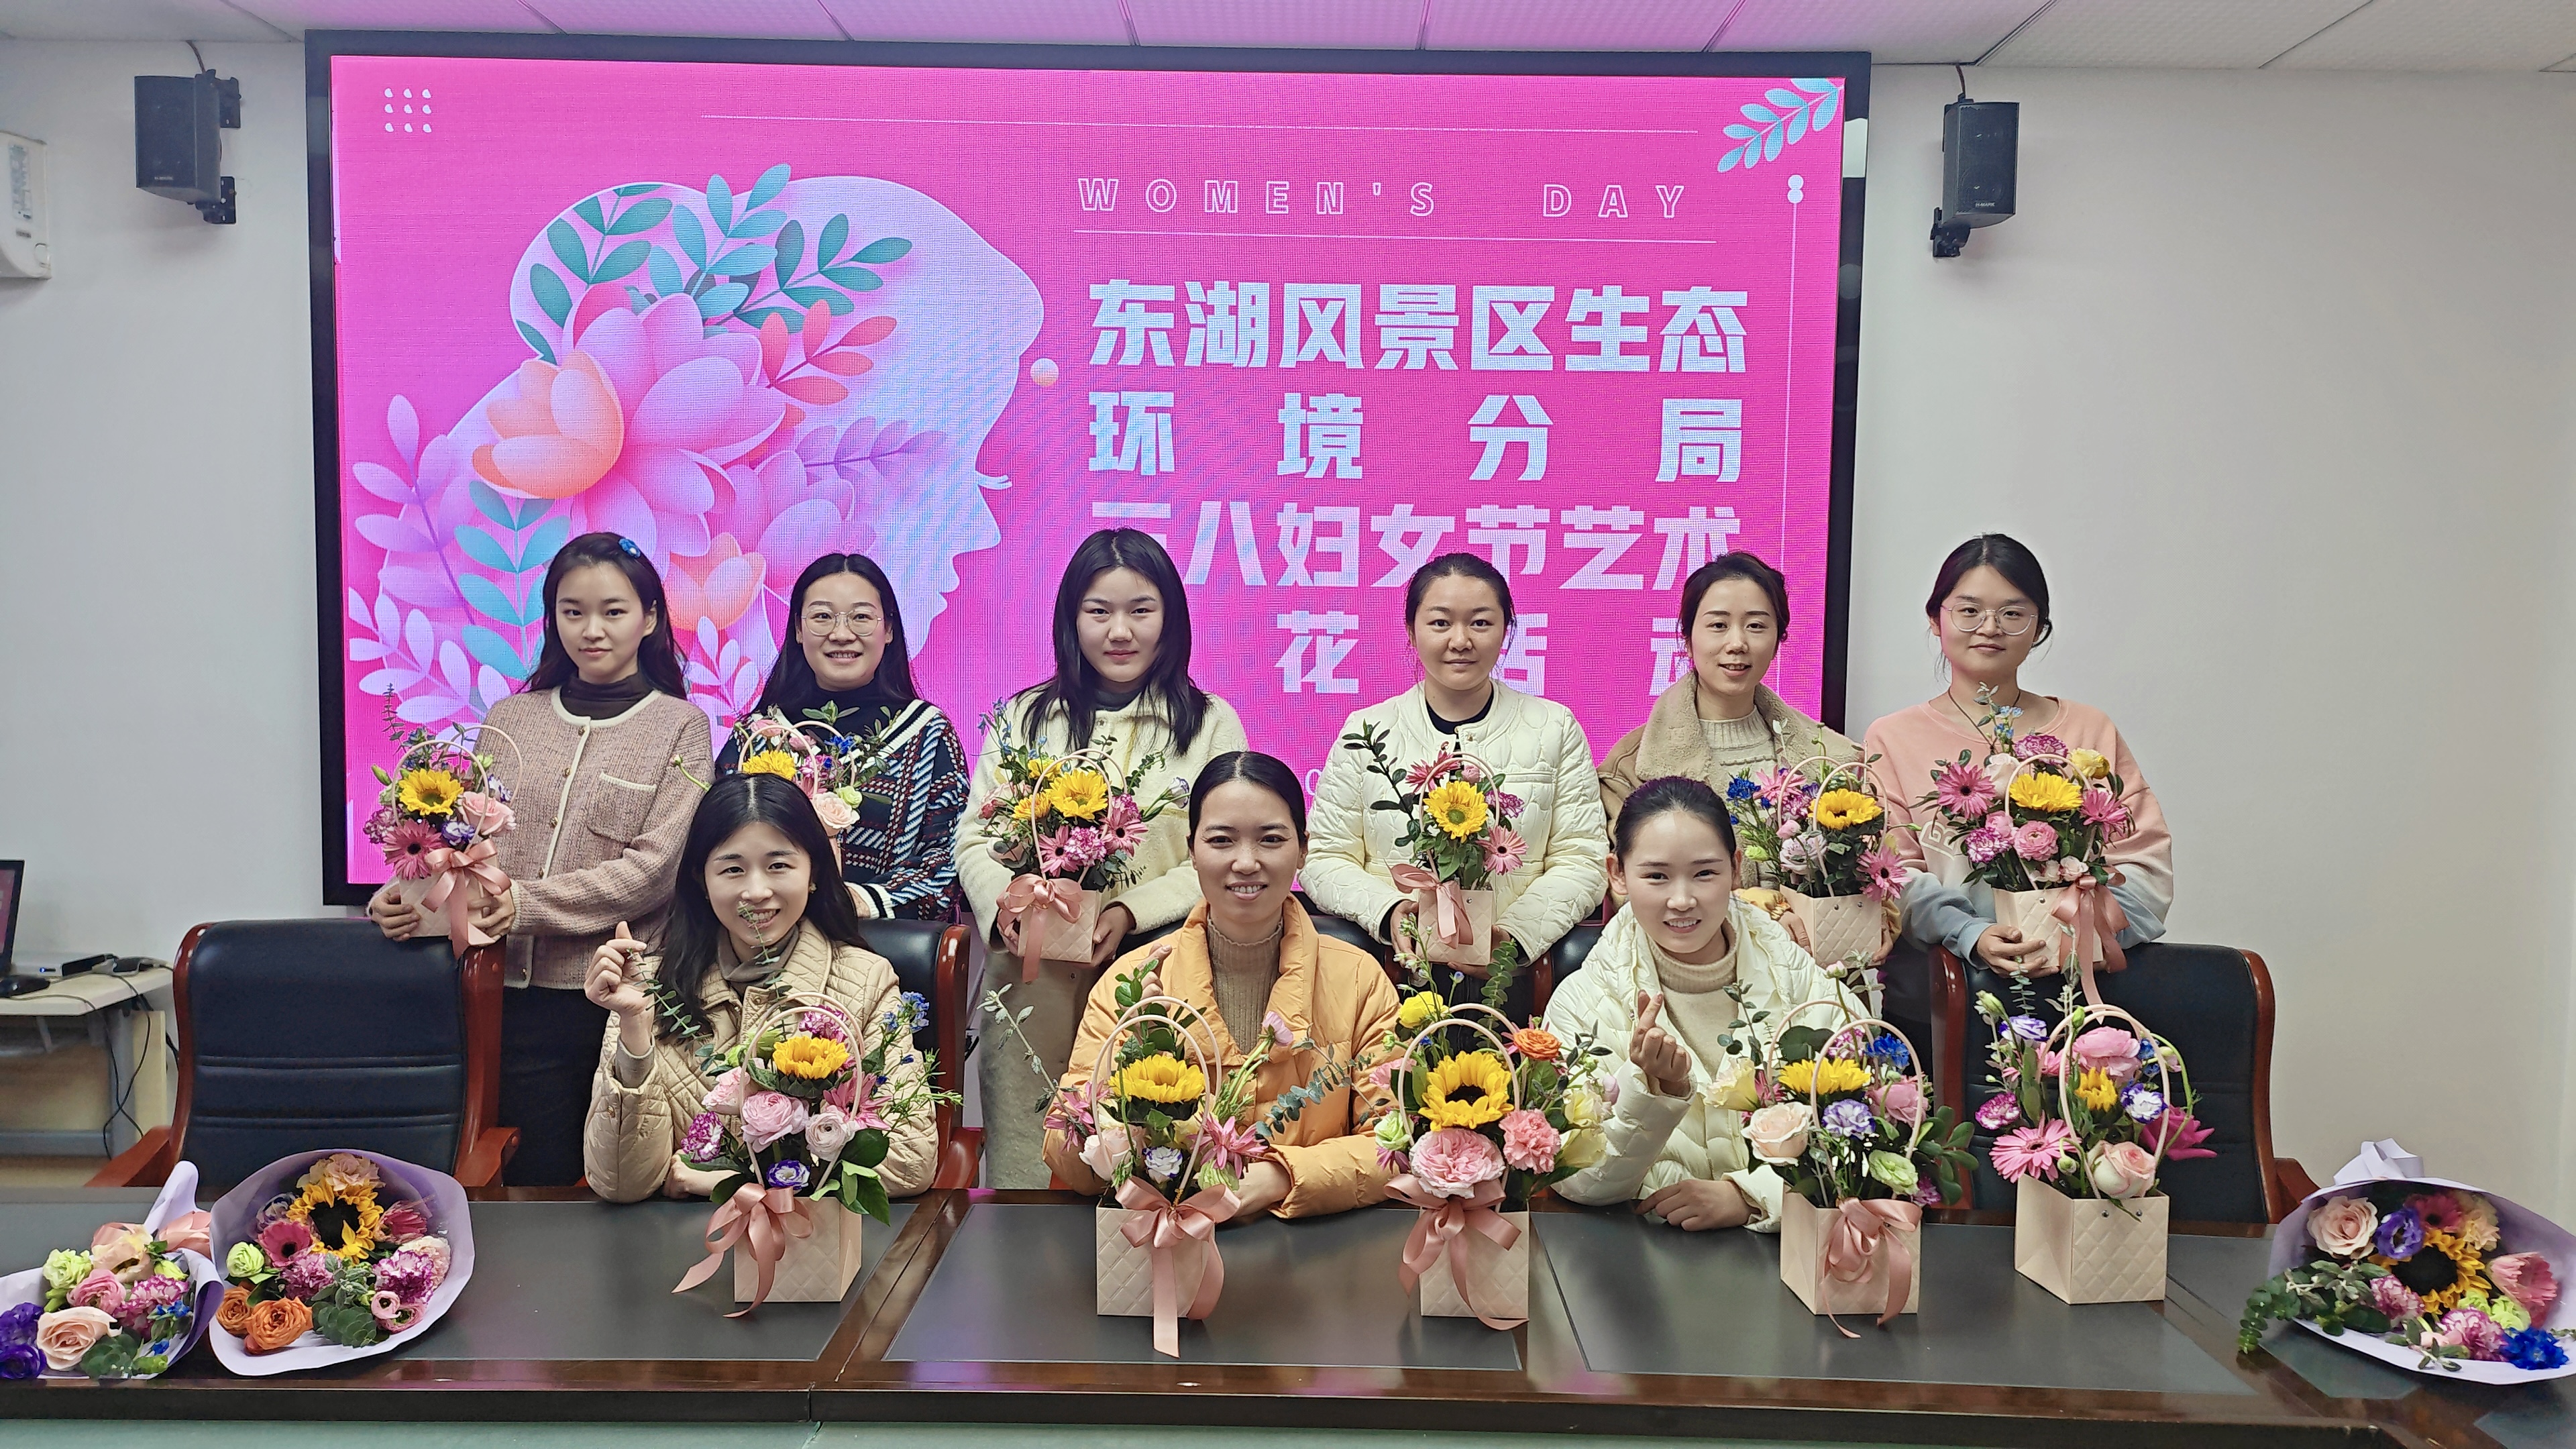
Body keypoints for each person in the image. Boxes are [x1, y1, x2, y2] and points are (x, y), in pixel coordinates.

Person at [366, 532, 713, 1187]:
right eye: (572, 611)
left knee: (606, 1182)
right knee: (506, 1177)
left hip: (605, 998)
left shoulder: (680, 726)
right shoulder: (510, 717)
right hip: (489, 988)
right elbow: (456, 837)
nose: (591, 630)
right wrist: (402, 891)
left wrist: (525, 905)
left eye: (613, 611)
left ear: (649, 619)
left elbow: (655, 871)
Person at [957, 529, 1248, 1188]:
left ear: (1170, 617)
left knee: (1151, 1154)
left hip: (1160, 966)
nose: (1120, 631)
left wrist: (1127, 911)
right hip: (1033, 972)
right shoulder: (1025, 718)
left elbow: (1225, 850)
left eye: (1141, 610)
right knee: (1029, 1163)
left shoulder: (1209, 723)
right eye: (1099, 611)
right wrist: (1012, 908)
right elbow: (975, 838)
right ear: (1071, 618)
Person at [1042, 752, 1402, 1218]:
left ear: (1303, 849)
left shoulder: (1359, 979)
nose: (1246, 862)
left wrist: (1283, 1176)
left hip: (1316, 1239)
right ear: (1192, 851)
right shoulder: (1132, 980)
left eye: (1271, 839)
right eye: (1221, 841)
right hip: (1171, 1242)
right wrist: (1129, 1075)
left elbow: (1396, 1144)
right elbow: (1065, 1151)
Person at [1863, 534, 2173, 1049]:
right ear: (1936, 619)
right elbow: (1893, 875)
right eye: (1969, 611)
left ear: (2039, 627)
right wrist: (1971, 934)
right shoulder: (1892, 738)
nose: (1990, 628)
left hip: (2080, 1002)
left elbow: (2145, 863)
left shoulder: (2090, 730)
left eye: (2012, 614)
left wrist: (2076, 936)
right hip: (1945, 1003)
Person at [580, 771, 936, 1203]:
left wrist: (735, 1182)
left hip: (811, 1239)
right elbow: (620, 1184)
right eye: (733, 869)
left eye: (778, 865)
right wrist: (635, 1031)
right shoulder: (649, 987)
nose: (756, 891)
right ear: (701, 880)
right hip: (678, 1239)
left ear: (814, 872)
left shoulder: (866, 980)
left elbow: (909, 1160)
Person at [1545, 778, 1866, 1230]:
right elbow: (1575, 1180)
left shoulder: (1802, 983)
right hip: (1645, 1253)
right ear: (1617, 874)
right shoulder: (1582, 1003)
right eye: (1656, 876)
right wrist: (1652, 1093)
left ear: (1736, 868)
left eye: (1704, 874)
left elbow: (1874, 1138)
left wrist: (1753, 1196)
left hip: (1788, 1255)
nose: (1682, 900)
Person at [1304, 553, 1609, 1015]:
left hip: (1515, 982)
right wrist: (1389, 913)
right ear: (1412, 632)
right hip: (1391, 978)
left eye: (1481, 623)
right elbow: (1325, 857)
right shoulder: (1365, 731)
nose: (1461, 641)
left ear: (1506, 630)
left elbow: (1582, 859)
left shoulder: (1555, 727)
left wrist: (1514, 937)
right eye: (1441, 623)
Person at [717, 552, 968, 922]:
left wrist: (855, 902)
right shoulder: (757, 735)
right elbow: (716, 847)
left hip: (882, 942)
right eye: (822, 617)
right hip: (764, 937)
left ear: (889, 630)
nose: (841, 634)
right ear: (798, 630)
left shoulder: (928, 732)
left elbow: (948, 860)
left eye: (861, 617)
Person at [1597, 552, 1860, 867]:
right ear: (1687, 639)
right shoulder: (1630, 768)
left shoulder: (1834, 759)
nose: (1737, 643)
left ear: (1778, 640)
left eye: (1756, 626)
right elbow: (1629, 880)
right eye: (1718, 625)